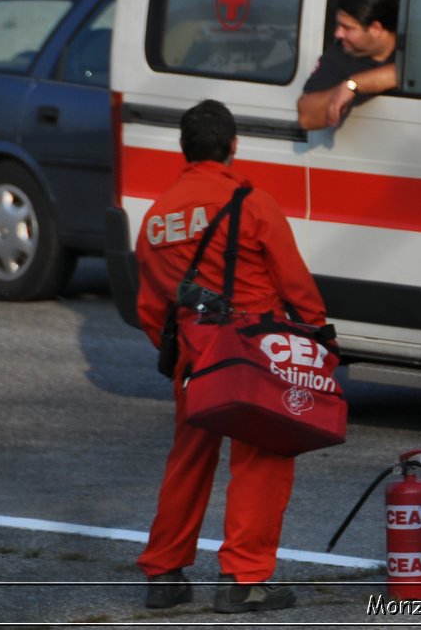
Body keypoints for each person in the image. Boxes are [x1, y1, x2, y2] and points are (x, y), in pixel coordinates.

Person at [134, 99, 327, 614]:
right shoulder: (252, 203)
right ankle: (243, 581)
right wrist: (318, 337)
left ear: (184, 149)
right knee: (262, 458)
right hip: (255, 355)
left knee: (189, 460)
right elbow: (295, 285)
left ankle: (164, 574)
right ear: (233, 146)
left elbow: (152, 308)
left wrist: (182, 351)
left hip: (195, 358)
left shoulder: (155, 219)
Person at [298, 0, 400, 130]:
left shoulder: (415, 47)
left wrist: (352, 85)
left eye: (347, 28)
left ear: (376, 29)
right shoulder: (340, 54)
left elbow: (413, 74)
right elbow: (306, 117)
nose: (338, 34)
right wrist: (336, 94)